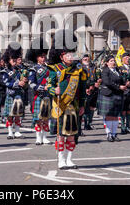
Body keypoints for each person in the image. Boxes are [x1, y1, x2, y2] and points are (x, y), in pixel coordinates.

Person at [47, 29, 87, 170]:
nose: (71, 57)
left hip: (74, 106)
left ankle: (70, 159)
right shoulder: (55, 69)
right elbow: (48, 86)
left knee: (72, 135)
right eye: (68, 54)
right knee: (60, 135)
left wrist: (82, 105)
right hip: (60, 105)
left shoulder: (79, 70)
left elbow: (82, 90)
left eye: (72, 54)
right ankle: (61, 159)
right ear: (62, 56)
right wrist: (54, 90)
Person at [27, 36, 51, 146]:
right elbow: (31, 83)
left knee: (45, 117)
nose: (43, 58)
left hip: (47, 96)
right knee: (38, 118)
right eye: (41, 56)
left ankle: (45, 136)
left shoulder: (50, 68)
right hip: (38, 95)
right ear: (37, 58)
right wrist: (42, 88)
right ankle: (38, 137)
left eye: (44, 56)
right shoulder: (33, 69)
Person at [1, 43, 28, 139]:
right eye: (13, 59)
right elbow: (6, 83)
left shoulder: (20, 70)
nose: (15, 61)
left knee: (17, 114)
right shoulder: (5, 71)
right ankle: (9, 132)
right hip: (11, 94)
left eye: (15, 59)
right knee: (9, 114)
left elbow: (25, 81)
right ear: (9, 60)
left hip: (18, 94)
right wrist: (17, 84)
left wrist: (24, 81)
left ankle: (17, 131)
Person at [99, 55, 127, 142]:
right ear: (107, 63)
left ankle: (114, 134)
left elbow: (121, 80)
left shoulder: (118, 70)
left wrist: (125, 83)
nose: (113, 62)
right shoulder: (105, 71)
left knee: (115, 116)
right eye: (111, 61)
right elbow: (107, 82)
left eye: (114, 61)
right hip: (108, 94)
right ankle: (109, 134)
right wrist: (119, 87)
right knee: (108, 116)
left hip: (117, 95)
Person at [118, 52, 130, 134]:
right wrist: (124, 83)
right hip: (123, 92)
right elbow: (118, 79)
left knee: (129, 110)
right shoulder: (119, 68)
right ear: (122, 59)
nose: (127, 60)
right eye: (126, 58)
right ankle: (122, 127)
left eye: (129, 58)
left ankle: (128, 127)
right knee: (123, 110)